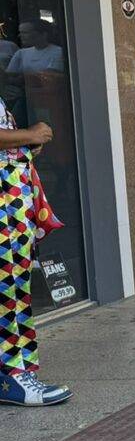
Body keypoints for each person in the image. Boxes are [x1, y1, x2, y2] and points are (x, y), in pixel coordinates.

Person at [0, 91, 67, 408]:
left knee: (15, 288)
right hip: (5, 202)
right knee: (6, 289)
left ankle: (20, 372)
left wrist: (22, 143)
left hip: (12, 199)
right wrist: (30, 134)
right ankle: (10, 377)